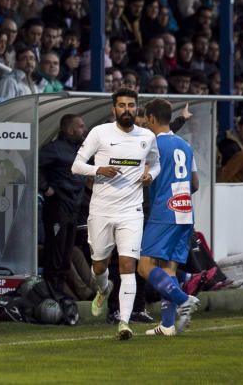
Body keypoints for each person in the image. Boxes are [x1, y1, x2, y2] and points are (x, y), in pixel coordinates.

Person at [71, 88, 160, 340]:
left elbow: (156, 163)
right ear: (114, 109)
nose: (127, 110)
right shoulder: (99, 133)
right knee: (99, 265)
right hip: (101, 210)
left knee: (127, 265)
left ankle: (124, 321)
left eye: (131, 105)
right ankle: (103, 289)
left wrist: (149, 175)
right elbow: (76, 165)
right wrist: (99, 169)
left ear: (137, 108)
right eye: (122, 105)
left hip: (132, 211)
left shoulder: (147, 137)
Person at [138, 99, 201, 336]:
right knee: (168, 268)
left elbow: (144, 176)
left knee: (145, 267)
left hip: (164, 211)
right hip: (185, 210)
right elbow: (194, 183)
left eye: (145, 119)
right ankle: (167, 324)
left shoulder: (151, 145)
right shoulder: (184, 145)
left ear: (152, 118)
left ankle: (183, 299)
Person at [38, 114, 87, 293]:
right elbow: (33, 165)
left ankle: (61, 294)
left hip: (73, 208)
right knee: (55, 254)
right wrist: (45, 187)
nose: (84, 129)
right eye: (80, 126)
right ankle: (51, 293)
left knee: (66, 255)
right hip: (57, 208)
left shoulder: (79, 150)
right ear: (69, 129)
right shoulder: (54, 149)